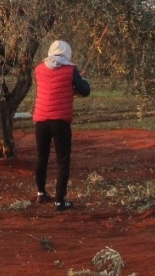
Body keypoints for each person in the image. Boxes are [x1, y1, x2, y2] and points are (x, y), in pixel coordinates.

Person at [32, 40, 91, 211]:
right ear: (67, 53)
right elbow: (85, 91)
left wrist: (72, 86)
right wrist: (81, 80)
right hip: (60, 122)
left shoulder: (39, 69)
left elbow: (53, 88)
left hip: (41, 120)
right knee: (62, 160)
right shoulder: (71, 70)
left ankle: (41, 193)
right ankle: (60, 200)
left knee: (41, 157)